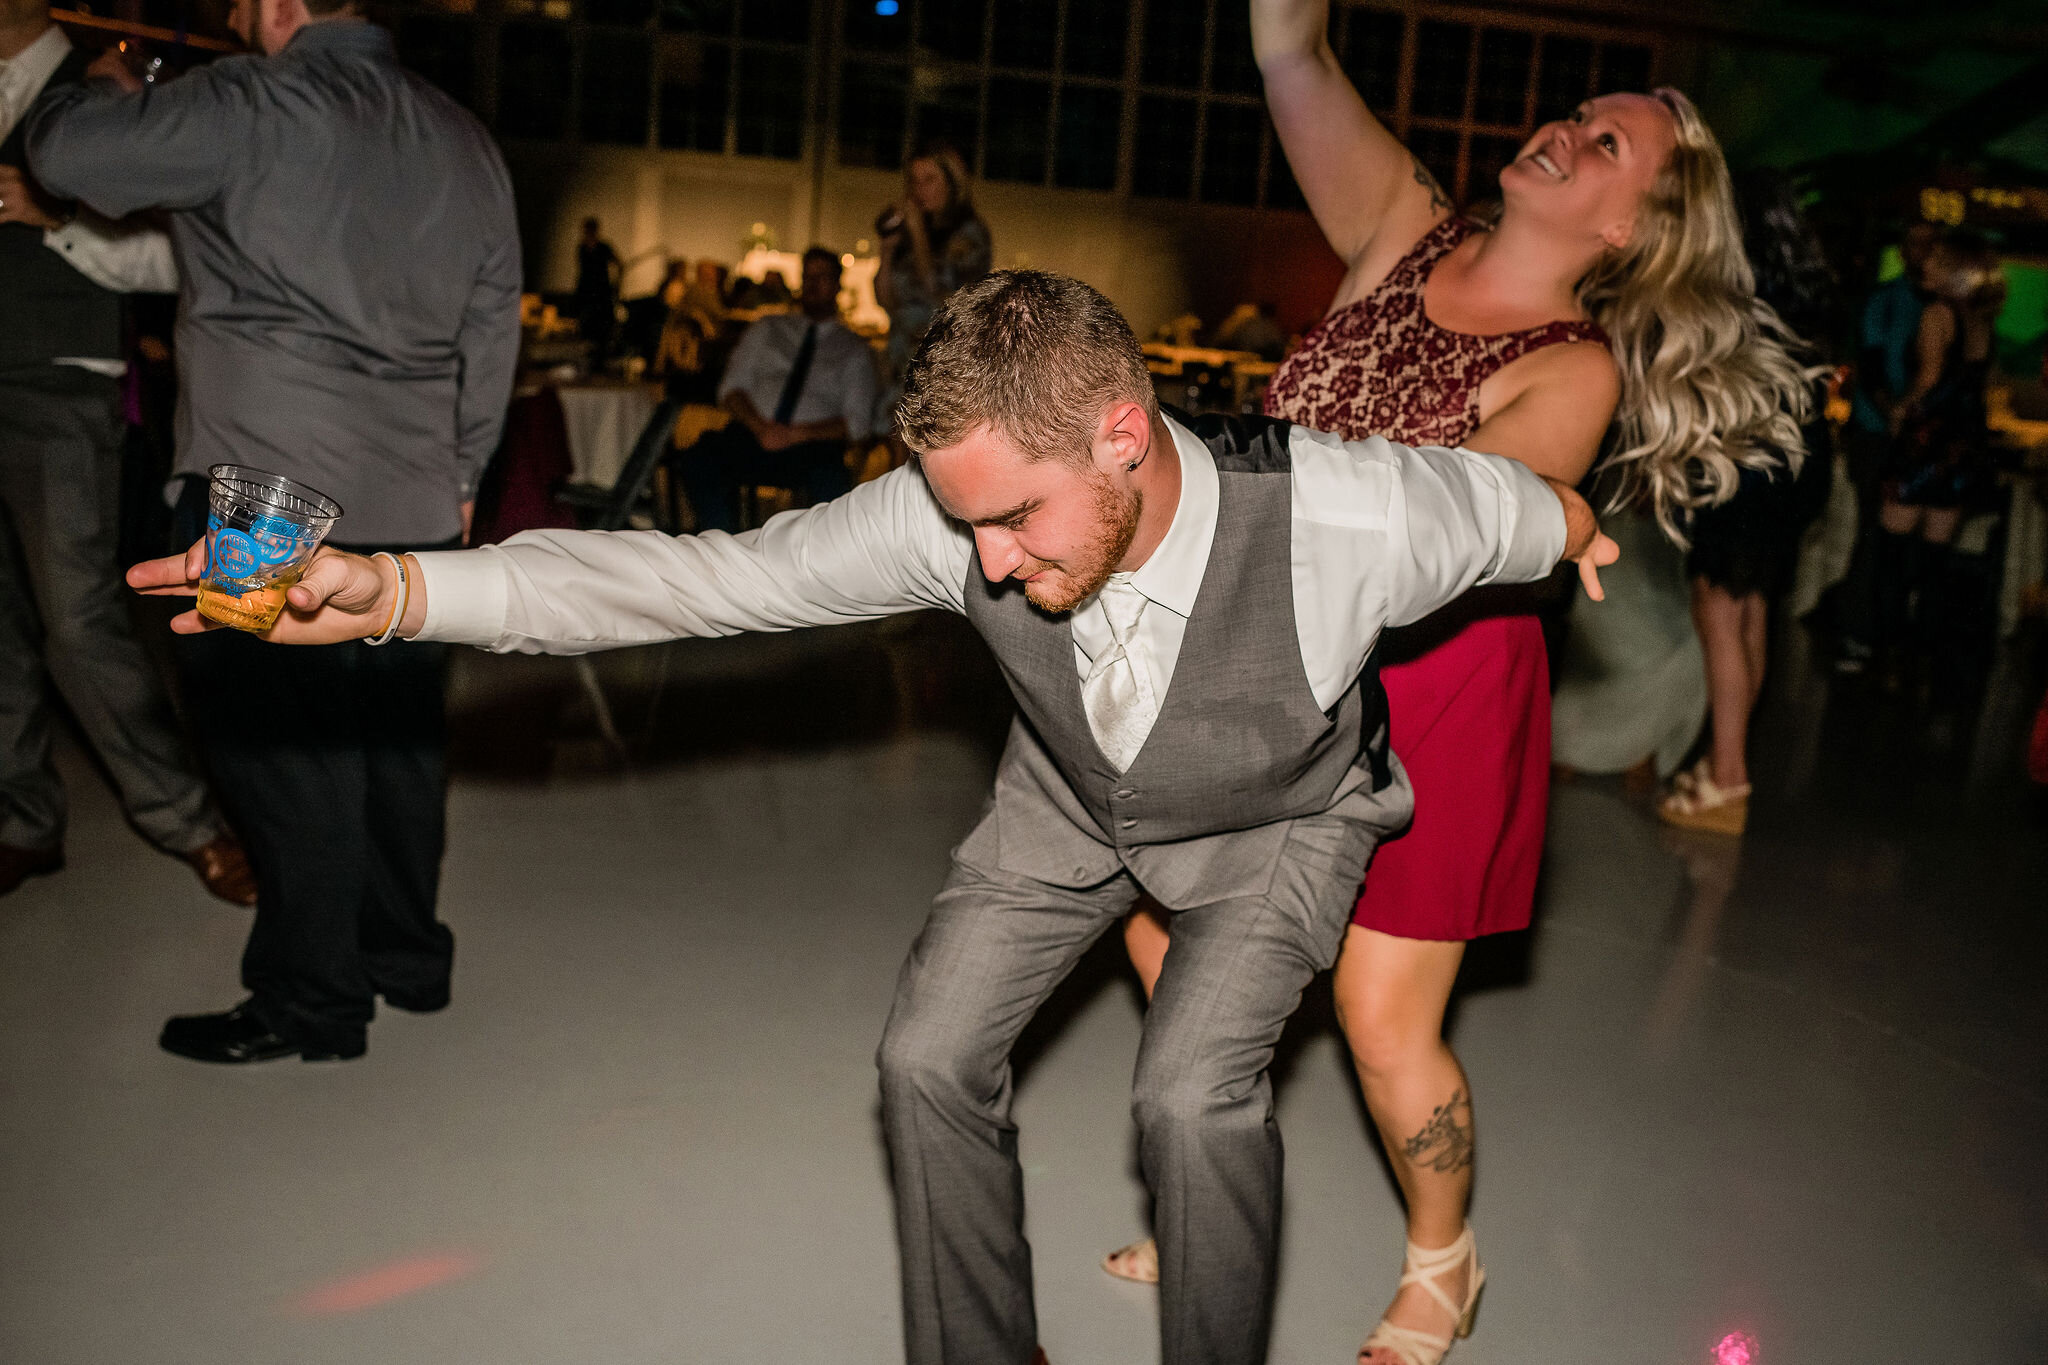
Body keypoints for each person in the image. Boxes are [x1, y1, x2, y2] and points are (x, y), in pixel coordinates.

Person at [131, 268, 1617, 1365]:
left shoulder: (1355, 514)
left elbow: (1520, 506)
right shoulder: (950, 518)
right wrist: (393, 589)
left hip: (1279, 813)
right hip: (1068, 788)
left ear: (1120, 433)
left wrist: (1573, 524)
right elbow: (688, 584)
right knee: (924, 1053)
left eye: (1014, 519)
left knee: (1190, 1093)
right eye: (959, 520)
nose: (979, 557)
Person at [1106, 5, 1811, 1364]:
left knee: (1380, 1021)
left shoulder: (1575, 365)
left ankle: (1445, 1259)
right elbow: (1291, 56)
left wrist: (1238, 487)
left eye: (1605, 141)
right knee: (1169, 941)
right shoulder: (1401, 226)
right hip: (1264, 648)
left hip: (1428, 696)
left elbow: (1465, 511)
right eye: (1577, 111)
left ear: (1633, 230)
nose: (1564, 126)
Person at [27, 0, 521, 1063]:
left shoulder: (248, 100)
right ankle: (405, 958)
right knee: (395, 740)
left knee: (278, 749)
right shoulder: (462, 138)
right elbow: (493, 320)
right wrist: (466, 473)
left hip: (263, 497)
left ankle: (312, 1001)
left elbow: (60, 153)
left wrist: (108, 80)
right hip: (421, 502)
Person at [0, 0, 254, 904]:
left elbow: (175, 256)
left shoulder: (105, 90)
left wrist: (50, 214)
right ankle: (22, 820)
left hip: (60, 383)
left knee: (78, 618)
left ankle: (189, 819)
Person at [1658, 171, 1835, 835]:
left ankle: (1727, 774)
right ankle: (1724, 761)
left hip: (1744, 460)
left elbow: (1707, 386)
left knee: (1718, 609)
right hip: (1797, 459)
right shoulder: (1807, 291)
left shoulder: (1731, 290)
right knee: (1752, 607)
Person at [1872, 231, 2005, 706]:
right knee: (1933, 568)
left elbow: (1926, 382)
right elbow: (1980, 386)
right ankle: (1924, 667)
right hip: (1960, 452)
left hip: (1923, 449)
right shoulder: (1980, 321)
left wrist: (1898, 412)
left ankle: (1886, 663)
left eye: (1936, 259)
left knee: (1891, 562)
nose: (1926, 264)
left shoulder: (1937, 314)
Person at [680, 246, 878, 533]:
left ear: (837, 284)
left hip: (811, 445)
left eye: (822, 277)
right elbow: (731, 389)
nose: (813, 284)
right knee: (699, 457)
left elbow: (857, 423)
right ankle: (721, 543)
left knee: (832, 481)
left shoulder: (854, 349)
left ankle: (817, 561)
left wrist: (797, 433)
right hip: (753, 433)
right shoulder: (768, 328)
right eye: (808, 276)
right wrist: (760, 427)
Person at [873, 142, 992, 381]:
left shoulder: (969, 235)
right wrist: (887, 251)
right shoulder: (909, 237)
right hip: (899, 359)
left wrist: (918, 234)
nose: (920, 189)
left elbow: (939, 296)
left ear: (951, 183)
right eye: (914, 181)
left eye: (929, 180)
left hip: (938, 361)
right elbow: (886, 302)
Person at [575, 216, 621, 362]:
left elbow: (619, 263)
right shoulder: (582, 247)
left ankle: (600, 357)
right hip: (588, 292)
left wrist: (616, 286)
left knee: (602, 326)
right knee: (588, 325)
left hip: (601, 292)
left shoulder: (603, 247)